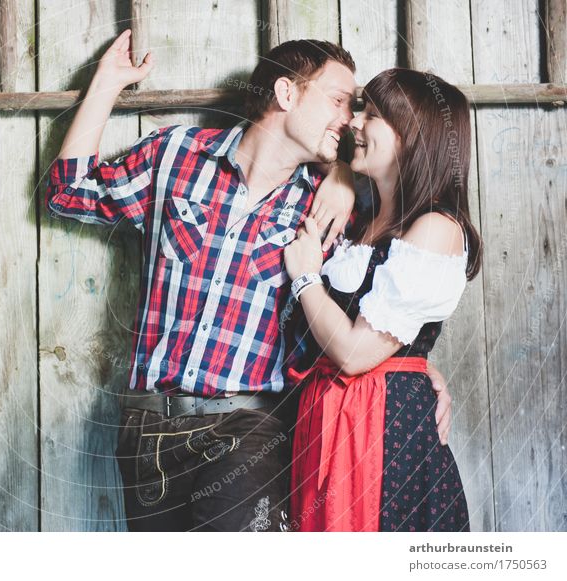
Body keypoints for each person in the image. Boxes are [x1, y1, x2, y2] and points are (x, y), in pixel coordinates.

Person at [46, 30, 452, 532]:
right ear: (286, 94)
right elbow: (68, 193)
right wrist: (105, 84)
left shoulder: (328, 210)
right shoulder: (175, 154)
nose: (349, 119)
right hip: (149, 429)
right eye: (339, 100)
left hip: (251, 427)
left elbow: (388, 303)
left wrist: (420, 371)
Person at [283, 68, 482, 532]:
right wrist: (338, 173)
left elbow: (355, 354)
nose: (354, 122)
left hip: (383, 435)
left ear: (412, 136)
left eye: (371, 114)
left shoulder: (436, 228)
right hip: (330, 424)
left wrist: (306, 277)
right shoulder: (362, 220)